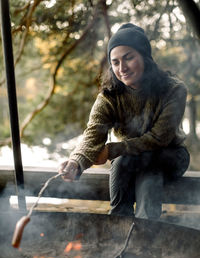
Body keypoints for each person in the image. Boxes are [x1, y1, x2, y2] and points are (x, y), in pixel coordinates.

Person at [58, 23, 190, 219]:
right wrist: (76, 162)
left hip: (169, 156)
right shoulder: (110, 96)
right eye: (116, 62)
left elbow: (159, 138)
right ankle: (118, 230)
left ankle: (146, 235)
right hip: (128, 160)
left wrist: (112, 150)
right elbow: (93, 134)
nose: (122, 68)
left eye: (129, 58)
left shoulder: (173, 89)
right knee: (123, 164)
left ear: (145, 57)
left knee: (147, 173)